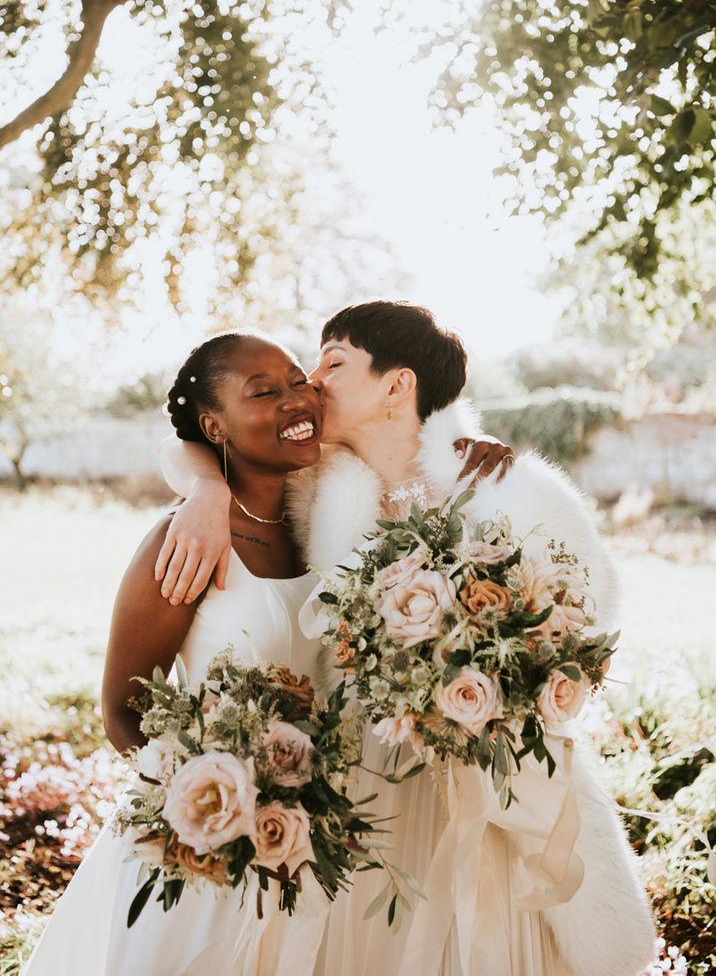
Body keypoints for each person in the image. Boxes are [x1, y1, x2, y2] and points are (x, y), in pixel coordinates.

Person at [160, 301, 655, 976]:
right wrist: (206, 492)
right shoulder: (312, 487)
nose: (311, 380)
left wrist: (485, 688)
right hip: (361, 788)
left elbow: (586, 630)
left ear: (399, 386)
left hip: (492, 784)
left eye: (332, 364)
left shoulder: (508, 490)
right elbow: (190, 438)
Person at [23, 331, 331, 976]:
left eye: (298, 379)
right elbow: (121, 711)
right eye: (264, 392)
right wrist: (214, 812)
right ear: (214, 426)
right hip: (211, 847)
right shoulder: (183, 541)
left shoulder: (334, 517)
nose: (296, 400)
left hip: (329, 836)